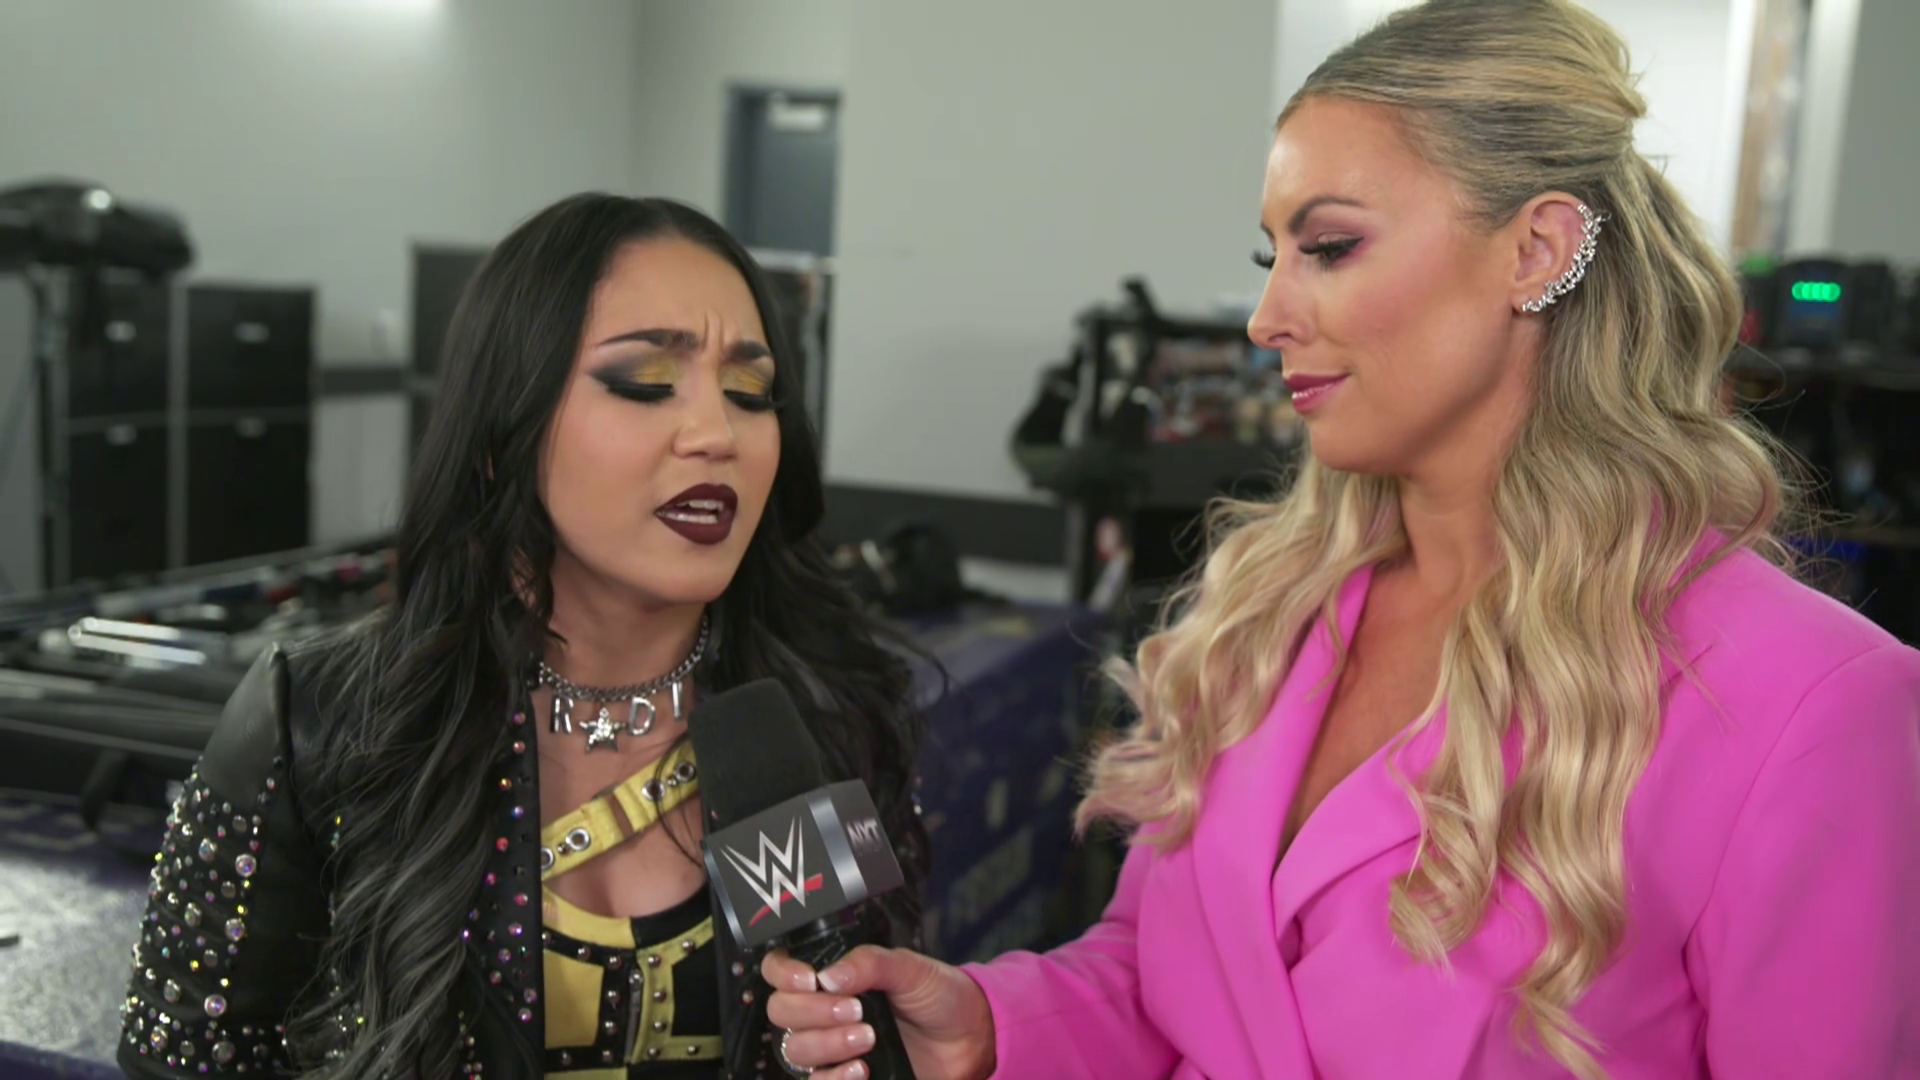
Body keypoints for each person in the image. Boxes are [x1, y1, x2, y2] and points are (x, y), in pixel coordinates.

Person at [762, 2, 1920, 1078]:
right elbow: (1167, 980)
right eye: (1271, 259)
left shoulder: (1812, 706)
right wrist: (993, 1025)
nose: (1269, 320)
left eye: (1328, 247)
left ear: (1535, 250)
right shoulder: (1267, 610)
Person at [117, 195, 930, 1080]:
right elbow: (184, 1061)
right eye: (645, 382)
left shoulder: (813, 719)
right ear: (501, 430)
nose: (716, 434)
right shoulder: (322, 721)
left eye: (751, 392)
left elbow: (876, 1025)